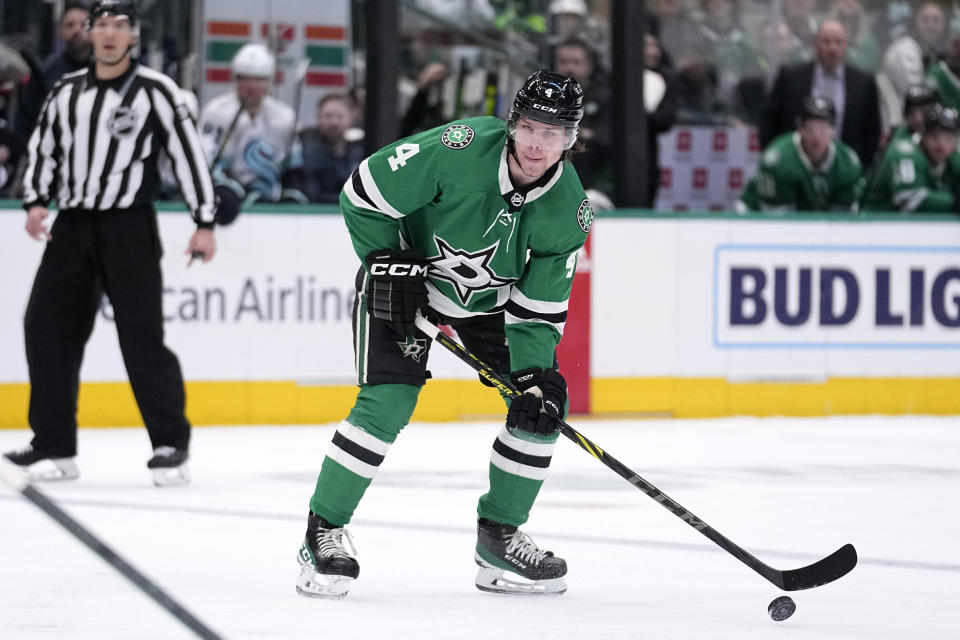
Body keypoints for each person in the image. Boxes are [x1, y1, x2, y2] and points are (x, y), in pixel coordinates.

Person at [295, 70, 591, 599]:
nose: (535, 143)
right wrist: (387, 261)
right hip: (407, 285)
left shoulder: (568, 209)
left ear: (571, 140)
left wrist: (533, 371)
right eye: (528, 126)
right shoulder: (458, 149)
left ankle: (500, 536)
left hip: (490, 306)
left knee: (539, 406)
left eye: (552, 132)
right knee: (388, 402)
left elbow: (540, 308)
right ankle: (323, 531)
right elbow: (363, 192)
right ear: (511, 124)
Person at [1, 0, 216, 486]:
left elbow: (187, 156)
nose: (110, 35)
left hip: (129, 227)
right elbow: (44, 149)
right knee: (45, 327)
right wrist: (36, 200)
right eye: (102, 26)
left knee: (140, 336)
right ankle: (53, 442)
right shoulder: (66, 90)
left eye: (120, 26)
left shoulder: (157, 92)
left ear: (134, 36)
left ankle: (170, 443)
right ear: (90, 34)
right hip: (73, 225)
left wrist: (204, 221)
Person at [761, 19, 881, 168]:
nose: (833, 48)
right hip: (796, 169)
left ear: (846, 46)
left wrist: (860, 167)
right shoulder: (790, 77)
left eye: (838, 42)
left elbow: (873, 131)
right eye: (826, 42)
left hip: (845, 171)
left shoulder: (864, 83)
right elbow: (769, 122)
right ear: (816, 44)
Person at [197, 43, 302, 205]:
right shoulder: (215, 112)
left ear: (270, 81)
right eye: (244, 78)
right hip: (226, 200)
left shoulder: (285, 116)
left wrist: (292, 191)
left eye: (260, 79)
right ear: (234, 79)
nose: (251, 86)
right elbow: (205, 160)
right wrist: (228, 188)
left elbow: (293, 164)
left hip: (271, 200)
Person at [738, 97, 862, 212]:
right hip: (756, 216)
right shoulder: (779, 159)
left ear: (833, 131)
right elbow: (776, 216)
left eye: (823, 129)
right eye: (810, 128)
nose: (816, 136)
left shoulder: (848, 162)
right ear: (800, 130)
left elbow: (843, 215)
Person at [861, 104, 960, 213]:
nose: (942, 145)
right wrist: (954, 202)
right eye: (935, 136)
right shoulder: (904, 153)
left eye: (949, 138)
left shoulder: (953, 158)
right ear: (923, 134)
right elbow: (908, 199)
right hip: (874, 222)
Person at [14, 1, 92, 136]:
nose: (76, 30)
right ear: (60, 31)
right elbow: (26, 118)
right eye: (70, 25)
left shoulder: (106, 71)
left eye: (83, 25)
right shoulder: (46, 72)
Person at [878, 2, 949, 131]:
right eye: (925, 20)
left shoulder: (934, 52)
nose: (931, 25)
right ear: (914, 22)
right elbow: (918, 95)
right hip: (900, 128)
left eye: (936, 20)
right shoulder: (904, 49)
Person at [298, 93, 365, 203]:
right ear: (318, 117)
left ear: (351, 118)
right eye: (328, 116)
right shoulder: (306, 152)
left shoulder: (358, 153)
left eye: (340, 116)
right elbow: (312, 195)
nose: (334, 122)